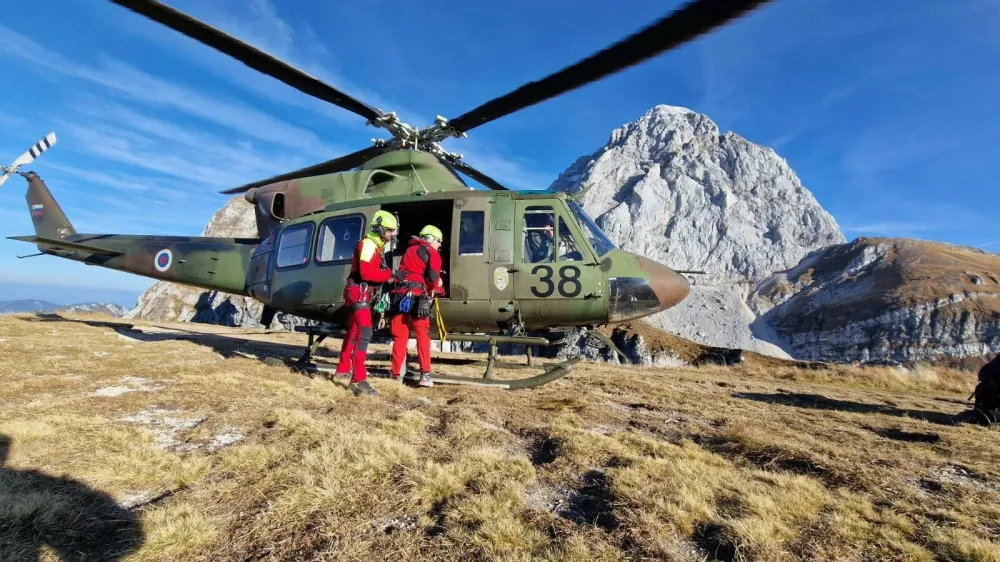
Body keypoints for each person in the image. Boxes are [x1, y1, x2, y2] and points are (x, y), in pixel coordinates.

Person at [335, 210, 401, 396]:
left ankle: (341, 370)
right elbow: (366, 274)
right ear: (380, 229)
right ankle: (358, 380)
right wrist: (391, 274)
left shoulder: (374, 245)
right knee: (365, 331)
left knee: (354, 331)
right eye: (389, 230)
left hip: (358, 291)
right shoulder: (368, 245)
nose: (392, 234)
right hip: (359, 292)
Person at [389, 224, 445, 388]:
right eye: (439, 241)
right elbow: (433, 278)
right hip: (418, 297)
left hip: (399, 296)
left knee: (400, 336)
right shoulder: (432, 253)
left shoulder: (409, 250)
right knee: (422, 335)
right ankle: (425, 375)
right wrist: (439, 286)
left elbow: (406, 272)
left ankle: (396, 375)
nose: (440, 244)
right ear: (432, 239)